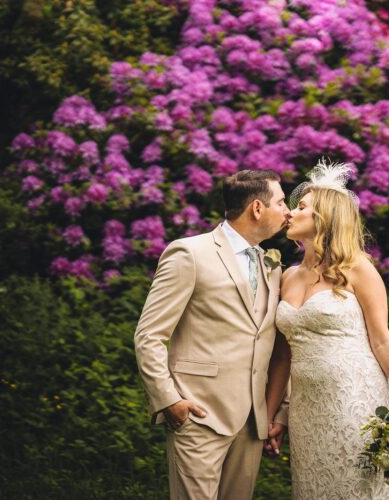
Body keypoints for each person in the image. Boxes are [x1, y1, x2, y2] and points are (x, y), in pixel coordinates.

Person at [134, 169, 290, 500]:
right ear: (257, 209)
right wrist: (169, 400)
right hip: (199, 415)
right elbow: (149, 335)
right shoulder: (189, 253)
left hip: (251, 423)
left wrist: (277, 410)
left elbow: (275, 342)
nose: (288, 211)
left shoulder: (271, 265)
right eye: (281, 202)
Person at [264, 160, 389, 499]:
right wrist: (272, 416)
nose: (290, 213)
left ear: (323, 218)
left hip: (354, 401)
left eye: (301, 207)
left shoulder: (358, 268)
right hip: (306, 408)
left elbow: (382, 339)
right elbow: (282, 356)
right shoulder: (287, 277)